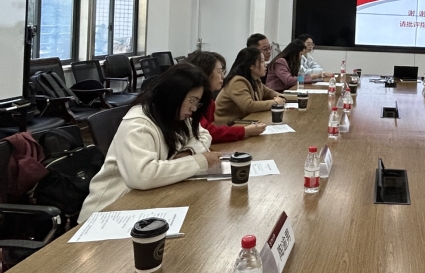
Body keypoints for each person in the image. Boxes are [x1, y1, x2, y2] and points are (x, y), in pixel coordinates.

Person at [78, 64, 222, 223]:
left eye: (197, 103)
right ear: (174, 94)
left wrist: (188, 152)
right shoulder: (139, 123)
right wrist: (199, 160)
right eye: (191, 100)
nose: (194, 108)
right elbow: (143, 175)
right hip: (108, 212)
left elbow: (203, 135)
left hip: (145, 199)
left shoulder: (175, 116)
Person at [185, 50, 266, 142]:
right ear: (205, 73)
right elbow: (206, 131)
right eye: (220, 72)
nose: (223, 76)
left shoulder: (208, 101)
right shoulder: (190, 102)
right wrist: (245, 131)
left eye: (223, 72)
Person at [215, 47, 285, 125]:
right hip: (228, 126)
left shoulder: (255, 79)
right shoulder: (237, 82)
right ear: (251, 66)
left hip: (244, 121)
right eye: (262, 62)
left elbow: (269, 92)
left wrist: (281, 97)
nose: (265, 65)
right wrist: (275, 102)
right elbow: (248, 106)